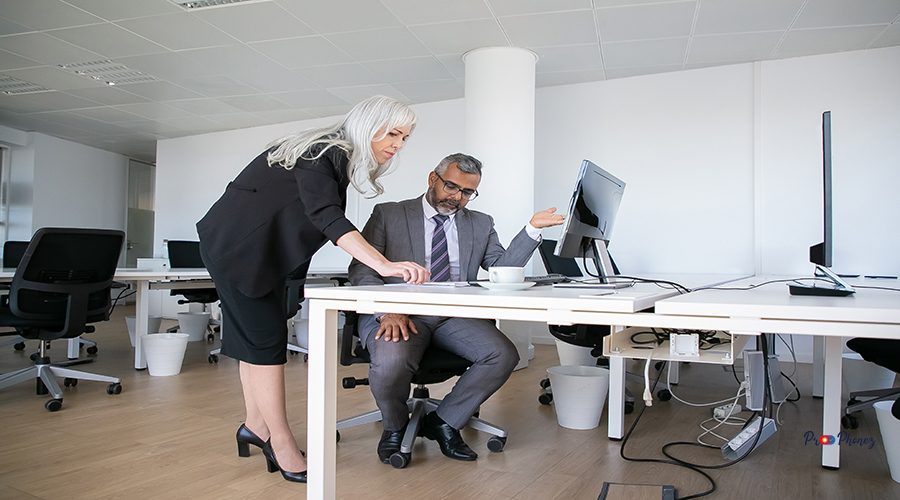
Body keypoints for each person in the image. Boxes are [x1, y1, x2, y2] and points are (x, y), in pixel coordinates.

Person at [196, 96, 429, 483]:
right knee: (266, 345)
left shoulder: (333, 155)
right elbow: (326, 217)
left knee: (253, 342)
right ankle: (281, 443)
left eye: (405, 137)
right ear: (368, 124)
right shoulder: (324, 152)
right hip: (238, 251)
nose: (398, 144)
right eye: (392, 133)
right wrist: (384, 265)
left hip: (253, 252)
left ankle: (255, 426)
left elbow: (304, 217)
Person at [348, 153, 564, 464]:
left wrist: (531, 229)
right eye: (451, 187)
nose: (458, 197)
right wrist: (387, 308)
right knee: (392, 356)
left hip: (453, 316)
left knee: (502, 354)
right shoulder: (389, 214)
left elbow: (500, 269)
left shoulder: (480, 223)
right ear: (432, 179)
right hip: (399, 312)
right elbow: (362, 269)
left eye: (467, 192)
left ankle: (445, 421)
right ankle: (395, 426)